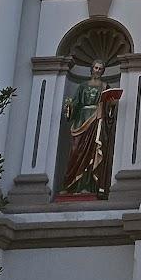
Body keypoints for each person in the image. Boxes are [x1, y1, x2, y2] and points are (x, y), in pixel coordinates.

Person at [58, 61, 123, 197]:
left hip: (97, 121)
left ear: (103, 71)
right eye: (96, 67)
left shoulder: (105, 86)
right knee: (77, 152)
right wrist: (70, 107)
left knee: (93, 152)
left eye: (100, 68)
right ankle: (71, 184)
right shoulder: (82, 86)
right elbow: (75, 104)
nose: (98, 70)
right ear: (91, 69)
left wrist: (111, 105)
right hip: (81, 122)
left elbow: (108, 110)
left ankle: (88, 186)